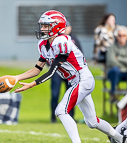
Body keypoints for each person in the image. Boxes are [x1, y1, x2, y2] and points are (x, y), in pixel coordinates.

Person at [13, 10, 126, 143]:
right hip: (76, 82)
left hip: (83, 79)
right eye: (42, 26)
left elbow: (51, 71)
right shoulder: (44, 45)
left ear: (56, 26)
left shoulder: (62, 41)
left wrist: (31, 84)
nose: (42, 29)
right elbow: (37, 69)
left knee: (61, 111)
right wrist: (16, 78)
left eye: (45, 26)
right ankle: (120, 138)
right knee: (92, 122)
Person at [50, 20, 83, 123]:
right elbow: (49, 55)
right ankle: (53, 117)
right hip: (57, 71)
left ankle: (71, 116)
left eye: (68, 26)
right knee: (55, 93)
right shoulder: (56, 39)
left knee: (71, 94)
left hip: (70, 72)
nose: (67, 28)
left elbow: (80, 55)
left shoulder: (74, 39)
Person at [106, 25, 127, 103]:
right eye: (119, 35)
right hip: (115, 73)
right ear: (116, 36)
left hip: (125, 73)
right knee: (115, 70)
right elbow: (111, 61)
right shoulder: (112, 47)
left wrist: (119, 58)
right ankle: (113, 94)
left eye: (124, 35)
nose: (121, 37)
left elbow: (115, 60)